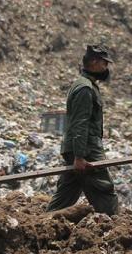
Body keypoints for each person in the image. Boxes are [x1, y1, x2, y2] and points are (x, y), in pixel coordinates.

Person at [46, 44, 118, 215]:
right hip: (86, 150)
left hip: (78, 149)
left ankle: (45, 223)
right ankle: (115, 229)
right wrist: (79, 156)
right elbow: (81, 122)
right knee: (104, 190)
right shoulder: (85, 88)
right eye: (104, 63)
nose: (105, 68)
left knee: (66, 194)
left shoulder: (85, 85)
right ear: (93, 62)